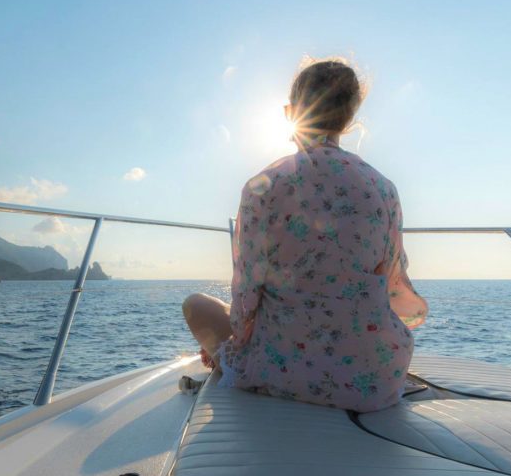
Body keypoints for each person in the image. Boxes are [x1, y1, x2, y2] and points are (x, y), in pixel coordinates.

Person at [183, 58, 427, 412]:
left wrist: (227, 347)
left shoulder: (261, 187)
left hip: (281, 374)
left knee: (196, 306)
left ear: (289, 112)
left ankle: (232, 363)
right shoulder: (382, 188)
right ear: (350, 117)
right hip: (373, 381)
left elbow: (247, 294)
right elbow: (393, 288)